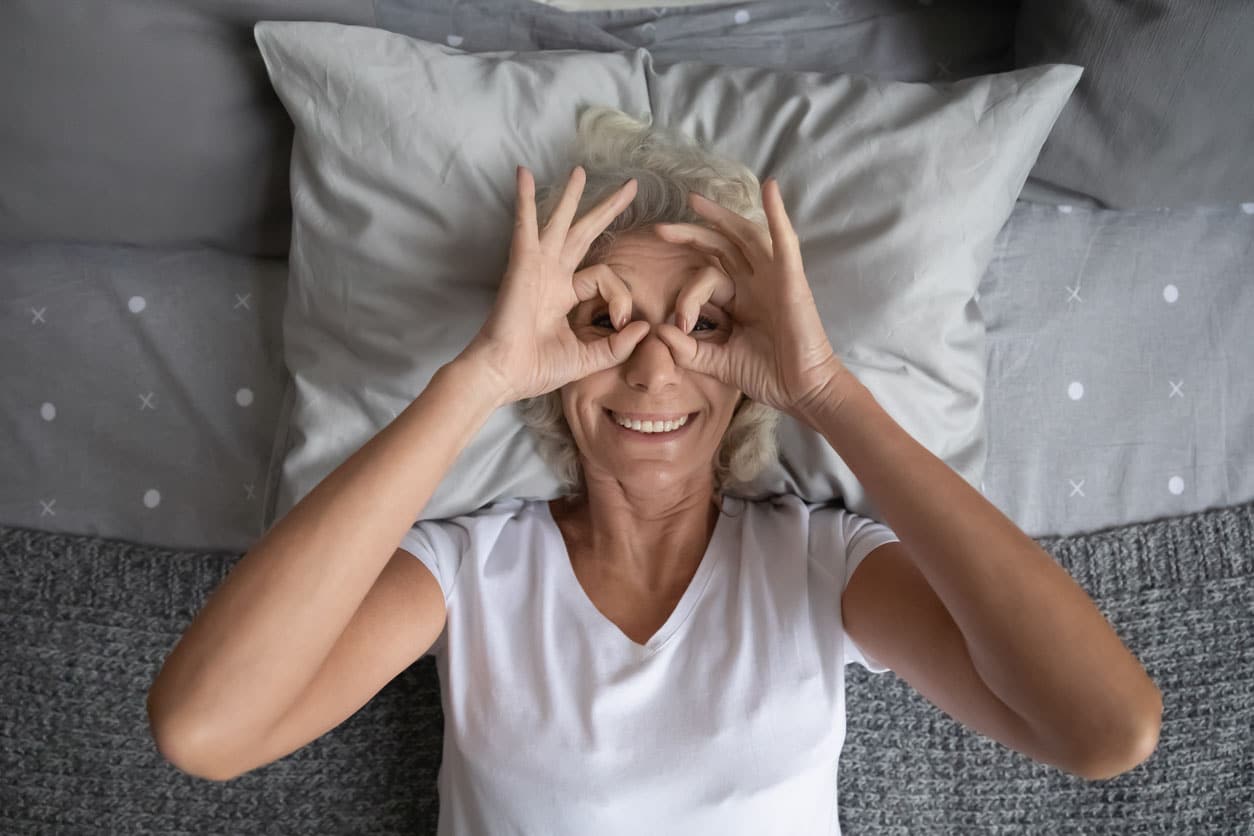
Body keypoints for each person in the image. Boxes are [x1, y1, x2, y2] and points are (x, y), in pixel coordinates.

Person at [147, 106, 1163, 833]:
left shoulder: (822, 564)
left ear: (748, 366)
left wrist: (823, 388)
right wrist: (482, 374)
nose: (652, 362)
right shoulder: (473, 571)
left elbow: (1106, 727)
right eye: (602, 320)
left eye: (705, 323)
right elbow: (204, 730)